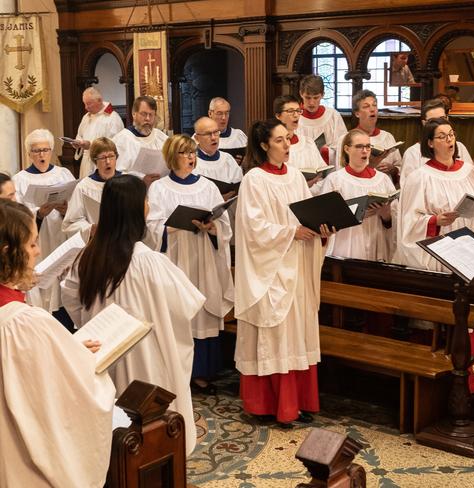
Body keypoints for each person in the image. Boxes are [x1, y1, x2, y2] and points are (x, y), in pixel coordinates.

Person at [61, 175, 205, 456]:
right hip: (150, 361)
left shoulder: (88, 257)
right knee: (152, 432)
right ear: (136, 210)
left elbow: (72, 301)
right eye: (146, 201)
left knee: (116, 437)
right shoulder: (150, 261)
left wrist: (95, 324)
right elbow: (187, 305)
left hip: (107, 358)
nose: (149, 206)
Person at [0, 200, 115, 488]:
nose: (38, 252)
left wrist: (65, 350)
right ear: (7, 253)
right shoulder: (24, 323)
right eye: (32, 245)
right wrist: (81, 361)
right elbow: (71, 397)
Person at [235, 119, 333, 426]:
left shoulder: (295, 177)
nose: (287, 144)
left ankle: (298, 403)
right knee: (274, 334)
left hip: (298, 266)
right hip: (272, 270)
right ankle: (268, 404)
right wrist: (292, 233)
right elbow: (253, 228)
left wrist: (321, 229)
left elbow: (307, 213)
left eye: (288, 138)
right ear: (264, 146)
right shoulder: (254, 179)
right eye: (279, 140)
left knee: (296, 335)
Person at [147, 134, 234, 395]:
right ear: (173, 157)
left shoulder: (207, 187)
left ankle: (202, 372)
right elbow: (151, 226)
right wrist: (171, 226)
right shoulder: (159, 188)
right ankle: (177, 372)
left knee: (201, 311)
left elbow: (224, 224)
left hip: (203, 256)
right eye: (185, 153)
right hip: (175, 258)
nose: (191, 158)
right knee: (177, 313)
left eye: (193, 153)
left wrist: (212, 226)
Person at [394, 118, 474, 271]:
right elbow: (408, 222)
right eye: (442, 136)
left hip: (472, 250)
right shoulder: (419, 178)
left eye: (451, 134)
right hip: (441, 252)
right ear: (430, 143)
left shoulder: (471, 172)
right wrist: (435, 221)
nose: (449, 139)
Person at [13, 129, 75, 314]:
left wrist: (66, 211)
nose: (42, 154)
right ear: (29, 153)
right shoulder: (20, 179)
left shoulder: (64, 174)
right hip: (38, 242)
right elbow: (16, 215)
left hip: (61, 237)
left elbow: (77, 206)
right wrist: (38, 213)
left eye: (46, 150)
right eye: (36, 151)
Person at [320, 128, 396, 261]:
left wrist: (386, 215)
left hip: (376, 241)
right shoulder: (335, 180)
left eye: (368, 146)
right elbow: (326, 220)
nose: (365, 151)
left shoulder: (383, 180)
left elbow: (394, 223)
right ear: (347, 149)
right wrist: (357, 214)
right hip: (347, 244)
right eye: (359, 146)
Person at [400, 99, 474, 187]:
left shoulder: (460, 147)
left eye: (442, 119)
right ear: (424, 123)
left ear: (447, 118)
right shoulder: (412, 153)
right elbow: (408, 188)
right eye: (433, 121)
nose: (440, 124)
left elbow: (472, 181)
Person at [62, 137, 121, 237]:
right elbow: (70, 223)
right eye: (103, 157)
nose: (108, 161)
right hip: (97, 242)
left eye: (111, 156)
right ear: (95, 160)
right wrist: (90, 229)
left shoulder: (128, 182)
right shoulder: (84, 187)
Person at [335, 90, 401, 178]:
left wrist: (393, 169)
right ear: (357, 113)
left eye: (374, 105)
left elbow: (400, 167)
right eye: (366, 106)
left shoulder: (388, 137)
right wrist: (369, 166)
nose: (372, 109)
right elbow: (340, 171)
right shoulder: (345, 138)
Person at [112, 95, 168, 186]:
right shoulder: (121, 140)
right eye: (144, 114)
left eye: (151, 115)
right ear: (134, 114)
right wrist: (141, 179)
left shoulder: (161, 138)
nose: (148, 119)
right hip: (133, 193)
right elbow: (115, 173)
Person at [274, 94, 325, 193]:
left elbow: (320, 175)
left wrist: (309, 190)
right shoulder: (273, 146)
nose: (296, 115)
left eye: (298, 111)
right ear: (278, 116)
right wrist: (302, 186)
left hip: (311, 196)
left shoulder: (308, 142)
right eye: (290, 111)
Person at [71, 86, 125, 179]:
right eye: (84, 104)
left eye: (89, 104)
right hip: (86, 162)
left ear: (99, 100)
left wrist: (91, 145)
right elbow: (80, 135)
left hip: (104, 162)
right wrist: (78, 144)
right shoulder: (86, 117)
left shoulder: (112, 118)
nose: (86, 107)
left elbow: (115, 144)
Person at [296, 74, 347, 164]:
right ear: (301, 94)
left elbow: (342, 145)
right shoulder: (295, 117)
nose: (311, 103)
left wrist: (326, 152)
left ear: (323, 95)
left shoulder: (333, 116)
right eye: (307, 97)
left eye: (316, 97)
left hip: (329, 170)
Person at [193, 116, 242, 201]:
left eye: (216, 132)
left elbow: (238, 186)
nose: (213, 138)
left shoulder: (228, 159)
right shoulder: (191, 162)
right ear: (197, 138)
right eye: (208, 134)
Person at [208, 97, 247, 162]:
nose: (224, 117)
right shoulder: (201, 137)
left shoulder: (239, 135)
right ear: (210, 114)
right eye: (219, 113)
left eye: (226, 113)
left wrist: (244, 162)